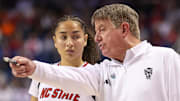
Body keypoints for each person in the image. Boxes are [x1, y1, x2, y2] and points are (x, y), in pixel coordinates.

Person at [9, 3, 180, 101]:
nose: (96, 38)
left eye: (102, 30)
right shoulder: (102, 70)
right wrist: (34, 68)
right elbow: (67, 75)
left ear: (124, 29)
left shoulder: (164, 58)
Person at [28, 15, 100, 101]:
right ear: (55, 41)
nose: (69, 43)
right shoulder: (42, 73)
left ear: (85, 40)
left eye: (76, 37)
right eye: (63, 37)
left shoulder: (96, 75)